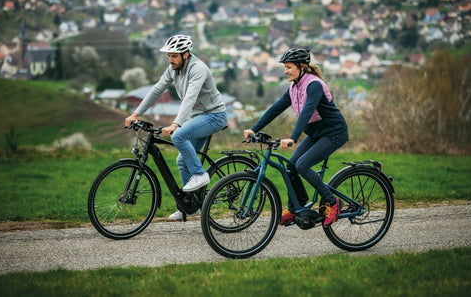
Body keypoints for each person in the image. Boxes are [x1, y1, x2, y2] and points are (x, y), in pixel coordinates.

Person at [125, 34, 227, 220]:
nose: (170, 60)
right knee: (181, 160)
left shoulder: (198, 69)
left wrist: (175, 124)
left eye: (174, 56)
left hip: (214, 116)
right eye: (169, 56)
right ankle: (189, 205)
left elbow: (189, 97)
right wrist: (136, 113)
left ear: (186, 55)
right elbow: (157, 89)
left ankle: (200, 174)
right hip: (198, 116)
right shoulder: (174, 68)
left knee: (178, 136)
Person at [243, 48, 349, 227]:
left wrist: (293, 137)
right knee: (291, 165)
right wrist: (254, 128)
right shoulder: (293, 87)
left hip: (333, 132)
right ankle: (296, 207)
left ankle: (332, 202)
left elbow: (307, 112)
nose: (285, 71)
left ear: (302, 67)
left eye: (289, 67)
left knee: (302, 165)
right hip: (316, 133)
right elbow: (276, 108)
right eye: (285, 67)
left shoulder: (313, 84)